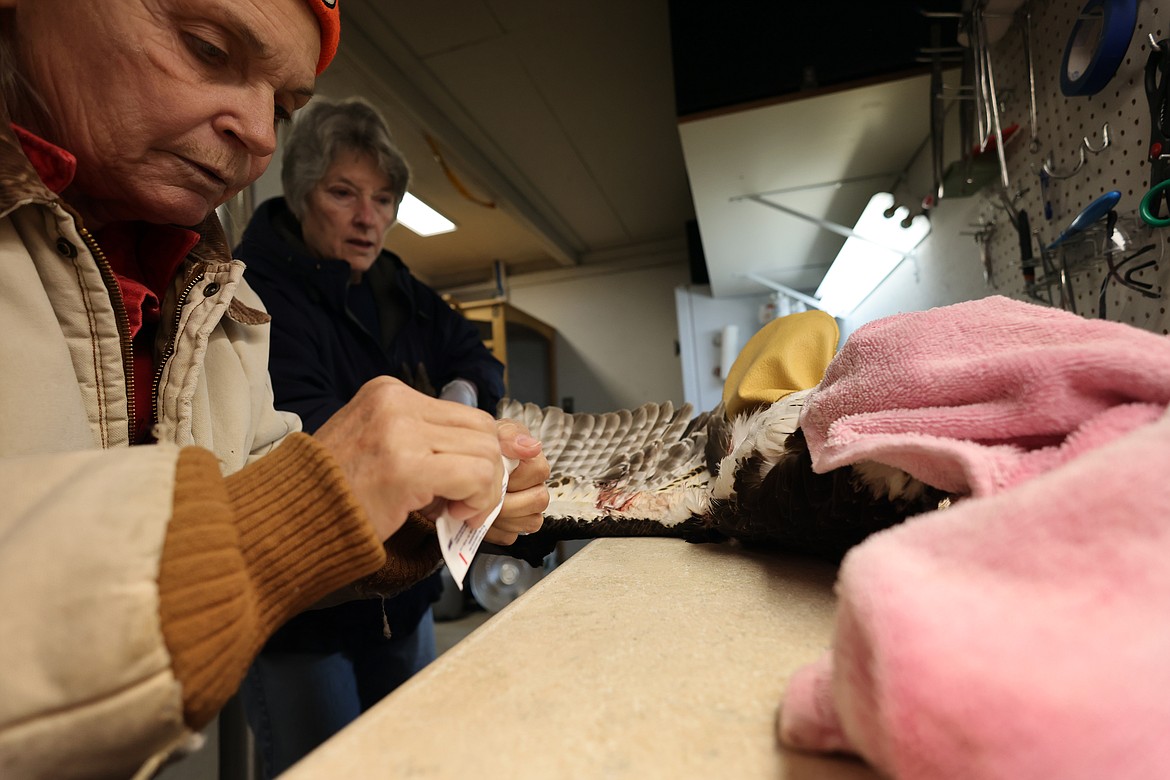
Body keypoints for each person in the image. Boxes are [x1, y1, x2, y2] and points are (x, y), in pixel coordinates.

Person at [0, 2, 549, 778]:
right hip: (304, 637)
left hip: (384, 606)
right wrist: (342, 484)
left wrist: (434, 493)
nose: (260, 132)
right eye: (207, 47)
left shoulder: (221, 291)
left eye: (285, 107)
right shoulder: (268, 291)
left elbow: (262, 463)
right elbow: (291, 480)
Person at [234, 96, 507, 776]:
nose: (369, 218)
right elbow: (312, 435)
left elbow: (473, 353)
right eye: (344, 193)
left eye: (383, 199)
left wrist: (459, 397)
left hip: (403, 601)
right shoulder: (252, 289)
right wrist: (448, 451)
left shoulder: (396, 285)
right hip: (305, 618)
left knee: (412, 763)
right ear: (301, 193)